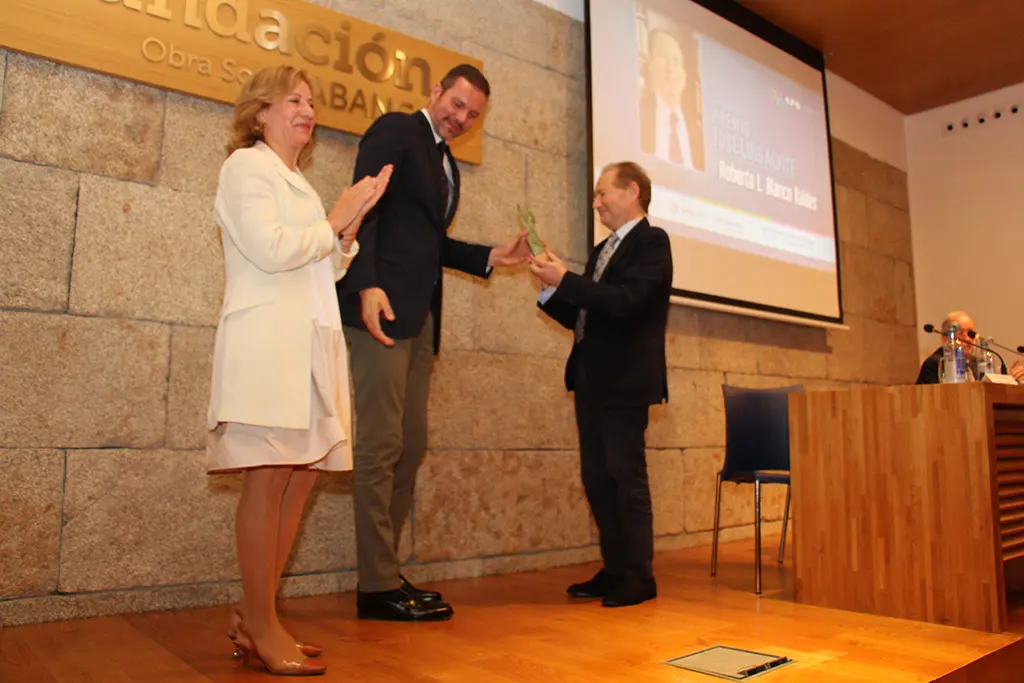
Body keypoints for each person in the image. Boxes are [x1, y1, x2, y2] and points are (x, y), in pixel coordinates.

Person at [206, 64, 392, 675]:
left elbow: (317, 267)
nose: (307, 110)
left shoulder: (294, 180)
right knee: (268, 479)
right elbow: (271, 249)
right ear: (260, 112)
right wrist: (334, 219)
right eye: (294, 99)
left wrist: (344, 234)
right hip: (268, 346)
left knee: (301, 477)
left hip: (308, 346)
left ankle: (255, 612)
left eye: (311, 102)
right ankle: (260, 625)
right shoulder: (246, 168)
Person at [336, 64, 531, 621]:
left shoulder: (446, 163)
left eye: (473, 114)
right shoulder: (397, 131)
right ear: (436, 92)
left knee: (410, 445)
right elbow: (362, 207)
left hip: (419, 320)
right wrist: (366, 282)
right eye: (457, 104)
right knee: (378, 446)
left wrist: (490, 257)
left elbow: (429, 243)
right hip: (381, 309)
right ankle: (375, 587)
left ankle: (383, 571)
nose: (461, 117)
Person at [529, 161, 673, 607]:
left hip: (626, 379)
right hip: (590, 376)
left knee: (625, 476)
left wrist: (569, 280)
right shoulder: (601, 250)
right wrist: (553, 288)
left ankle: (639, 576)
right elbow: (586, 315)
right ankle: (614, 569)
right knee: (596, 477)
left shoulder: (652, 242)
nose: (596, 203)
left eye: (602, 194)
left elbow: (626, 302)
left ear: (632, 191)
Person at [639, 28, 704, 171]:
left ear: (685, 74)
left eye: (676, 61)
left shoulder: (697, 130)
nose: (671, 68)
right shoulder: (637, 116)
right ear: (650, 65)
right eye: (663, 57)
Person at [916, 310, 975, 384]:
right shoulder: (934, 364)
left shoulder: (976, 363)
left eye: (970, 333)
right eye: (961, 333)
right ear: (945, 338)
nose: (967, 339)